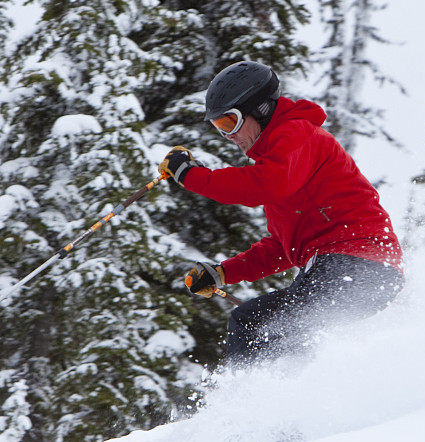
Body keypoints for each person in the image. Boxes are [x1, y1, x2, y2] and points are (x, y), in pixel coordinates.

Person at [158, 61, 403, 363]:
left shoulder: (296, 133)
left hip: (354, 265)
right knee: (284, 336)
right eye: (218, 128)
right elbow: (283, 247)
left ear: (259, 109)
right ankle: (294, 400)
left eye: (229, 123)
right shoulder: (283, 162)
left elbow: (264, 185)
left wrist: (191, 176)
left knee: (253, 324)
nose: (228, 136)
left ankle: (247, 402)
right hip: (363, 270)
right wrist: (223, 273)